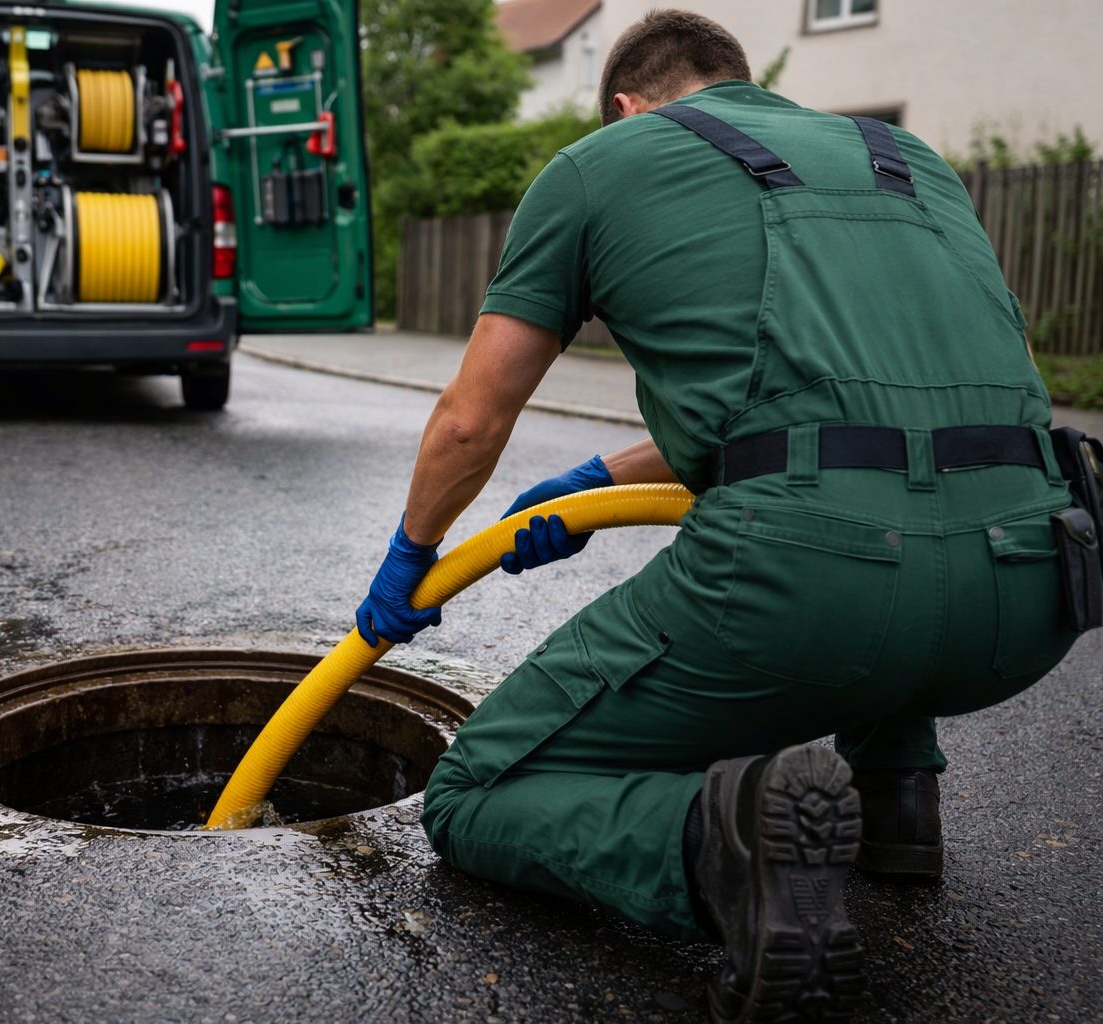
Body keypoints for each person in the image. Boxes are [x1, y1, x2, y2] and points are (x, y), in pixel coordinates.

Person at [353, 10, 1090, 1023]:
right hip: (1033, 594)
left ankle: (723, 839)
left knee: (474, 789)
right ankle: (897, 804)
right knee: (896, 498)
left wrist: (413, 554)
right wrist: (589, 482)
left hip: (820, 595)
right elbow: (847, 405)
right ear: (748, 86)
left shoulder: (596, 167)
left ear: (623, 109)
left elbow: (471, 423)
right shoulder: (904, 156)